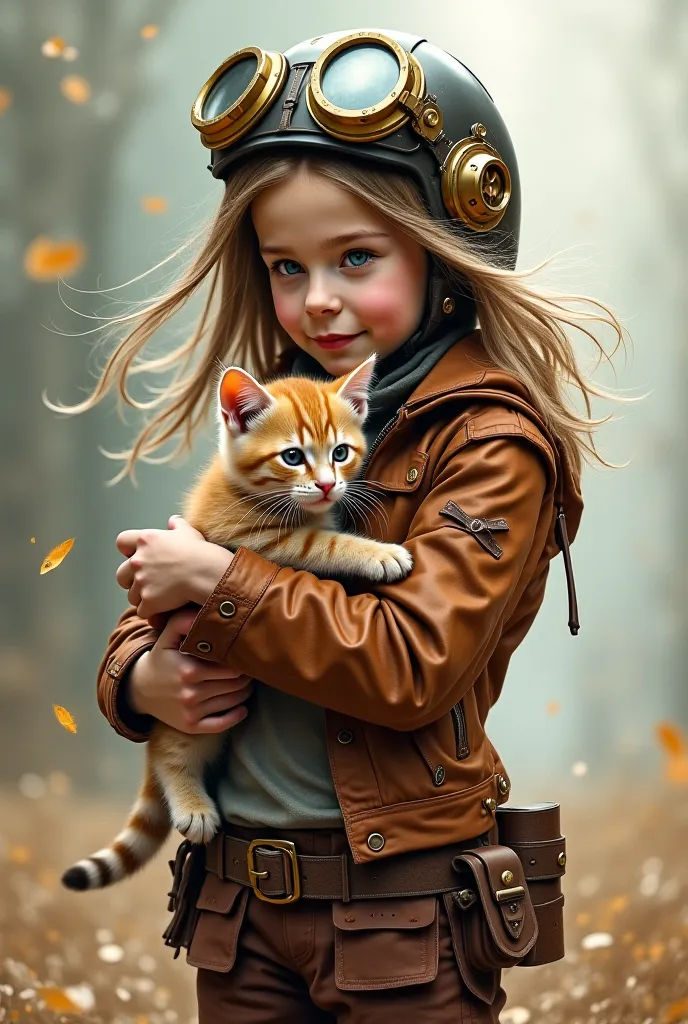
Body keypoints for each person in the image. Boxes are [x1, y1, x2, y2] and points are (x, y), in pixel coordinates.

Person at [47, 27, 629, 1023]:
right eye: (284, 266)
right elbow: (163, 596)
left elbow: (411, 664)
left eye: (355, 257)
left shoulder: (489, 442)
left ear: (448, 244)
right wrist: (141, 678)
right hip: (235, 908)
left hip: (400, 919)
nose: (316, 300)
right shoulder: (291, 414)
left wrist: (219, 586)